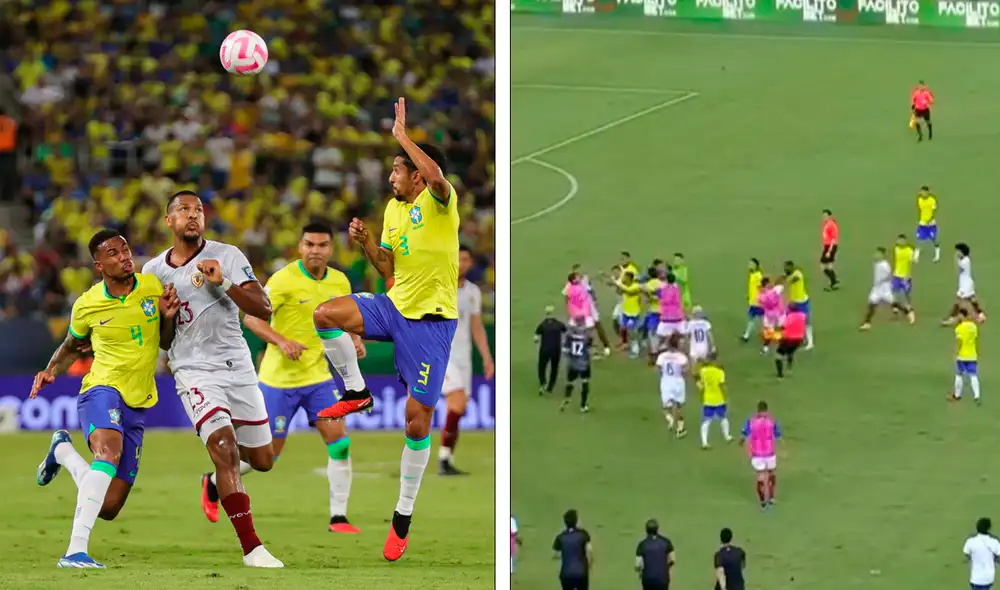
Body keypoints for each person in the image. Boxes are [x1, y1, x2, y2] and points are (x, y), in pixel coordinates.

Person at [310, 98, 459, 561]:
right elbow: (387, 268)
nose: (391, 176)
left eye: (397, 169)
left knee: (417, 420)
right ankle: (356, 391)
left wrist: (402, 137)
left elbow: (437, 177)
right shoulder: (393, 212)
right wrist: (368, 243)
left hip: (431, 323)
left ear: (416, 175)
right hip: (394, 306)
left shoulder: (440, 202)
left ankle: (402, 516)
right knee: (325, 314)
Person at [143, 191, 282, 568]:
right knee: (223, 444)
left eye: (199, 210)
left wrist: (224, 283)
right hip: (193, 370)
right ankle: (252, 549)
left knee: (264, 460)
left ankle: (213, 484)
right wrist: (166, 317)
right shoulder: (152, 272)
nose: (193, 215)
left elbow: (263, 308)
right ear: (168, 221)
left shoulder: (228, 256)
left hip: (237, 367)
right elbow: (163, 342)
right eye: (183, 210)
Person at [32, 229, 179, 568]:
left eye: (125, 249)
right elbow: (72, 345)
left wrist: (168, 318)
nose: (124, 256)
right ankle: (75, 551)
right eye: (113, 253)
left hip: (138, 399)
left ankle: (63, 452)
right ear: (99, 265)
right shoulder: (87, 304)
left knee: (109, 506)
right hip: (101, 388)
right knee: (108, 452)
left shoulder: (152, 287)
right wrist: (51, 369)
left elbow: (165, 342)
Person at [241, 222, 364, 533]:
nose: (315, 251)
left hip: (318, 377)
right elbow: (251, 318)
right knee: (267, 458)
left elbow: (347, 320)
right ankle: (214, 482)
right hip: (278, 380)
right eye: (309, 244)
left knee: (340, 444)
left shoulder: (340, 282)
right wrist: (282, 341)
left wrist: (355, 338)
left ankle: (339, 517)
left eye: (322, 245)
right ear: (300, 247)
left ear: (331, 249)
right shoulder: (283, 280)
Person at [439, 244, 495, 475]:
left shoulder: (473, 292)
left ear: (470, 263)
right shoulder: (438, 287)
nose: (461, 264)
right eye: (457, 259)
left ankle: (446, 459)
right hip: (442, 355)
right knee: (458, 401)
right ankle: (443, 461)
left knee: (458, 409)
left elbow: (477, 326)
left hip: (464, 356)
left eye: (465, 260)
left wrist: (487, 357)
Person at [741, 401, 781, 509]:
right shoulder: (772, 421)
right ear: (767, 410)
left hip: (757, 454)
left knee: (760, 477)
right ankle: (771, 498)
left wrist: (742, 444)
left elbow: (744, 435)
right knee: (771, 474)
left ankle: (763, 501)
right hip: (769, 453)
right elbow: (778, 435)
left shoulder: (750, 421)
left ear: (757, 410)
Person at [569, 263, 611, 356]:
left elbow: (591, 290)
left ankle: (606, 346)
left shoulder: (585, 279)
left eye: (580, 271)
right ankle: (588, 347)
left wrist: (595, 300)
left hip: (590, 307)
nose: (579, 273)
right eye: (577, 272)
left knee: (598, 325)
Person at [654, 333, 688, 437]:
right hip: (678, 381)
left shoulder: (662, 356)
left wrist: (663, 375)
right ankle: (680, 429)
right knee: (679, 406)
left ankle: (670, 418)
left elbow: (657, 369)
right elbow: (685, 370)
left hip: (666, 382)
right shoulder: (682, 357)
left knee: (666, 406)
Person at [944, 242, 986, 325]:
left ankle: (952, 318)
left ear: (961, 251)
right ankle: (981, 315)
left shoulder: (964, 261)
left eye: (958, 251)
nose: (956, 253)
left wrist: (956, 258)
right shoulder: (966, 259)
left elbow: (957, 268)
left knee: (958, 302)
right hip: (968, 284)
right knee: (972, 300)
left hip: (965, 286)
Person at [696, 353, 731, 449]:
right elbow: (722, 386)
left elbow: (699, 382)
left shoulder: (703, 371)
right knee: (723, 418)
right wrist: (726, 398)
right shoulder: (720, 372)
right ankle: (727, 436)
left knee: (706, 420)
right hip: (719, 399)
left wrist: (701, 392)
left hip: (707, 399)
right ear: (715, 360)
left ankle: (704, 442)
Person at [553, 509, 592, 590]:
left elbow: (556, 554)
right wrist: (589, 564)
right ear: (576, 521)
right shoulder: (583, 534)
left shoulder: (561, 537)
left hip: (566, 574)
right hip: (581, 573)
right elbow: (589, 550)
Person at [561, 317, 593, 413]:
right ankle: (583, 406)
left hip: (573, 364)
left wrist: (569, 355)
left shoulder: (569, 336)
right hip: (584, 364)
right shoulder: (587, 337)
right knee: (585, 382)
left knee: (570, 382)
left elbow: (565, 350)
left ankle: (566, 399)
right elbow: (589, 350)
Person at [950, 307, 981, 405]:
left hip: (962, 356)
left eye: (959, 315)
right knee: (973, 375)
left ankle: (957, 395)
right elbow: (974, 339)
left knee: (959, 375)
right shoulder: (973, 327)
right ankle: (977, 396)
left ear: (962, 315)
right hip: (972, 355)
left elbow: (959, 342)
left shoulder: (959, 328)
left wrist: (956, 352)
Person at [635, 519, 675, 590]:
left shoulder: (642, 545)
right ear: (657, 529)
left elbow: (638, 565)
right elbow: (672, 559)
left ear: (646, 530)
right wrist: (666, 568)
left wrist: (640, 572)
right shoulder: (666, 542)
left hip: (648, 580)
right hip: (663, 579)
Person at [860, 247, 894, 331]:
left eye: (878, 253)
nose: (875, 255)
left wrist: (881, 281)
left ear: (882, 255)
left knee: (894, 303)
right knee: (871, 304)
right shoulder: (877, 262)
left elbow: (890, 276)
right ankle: (867, 323)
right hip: (877, 289)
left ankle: (908, 311)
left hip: (885, 289)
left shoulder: (885, 265)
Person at [610, 270, 642, 357]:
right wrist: (616, 284)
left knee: (631, 331)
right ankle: (626, 344)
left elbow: (629, 292)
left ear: (630, 279)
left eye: (625, 277)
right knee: (623, 328)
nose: (624, 278)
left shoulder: (635, 286)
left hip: (633, 313)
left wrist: (618, 284)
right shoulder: (624, 286)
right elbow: (619, 292)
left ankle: (635, 350)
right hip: (625, 312)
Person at [782, 261, 813, 350]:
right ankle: (798, 337)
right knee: (789, 320)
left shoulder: (797, 274)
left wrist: (786, 278)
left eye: (787, 268)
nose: (786, 269)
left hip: (802, 302)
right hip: (793, 302)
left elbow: (793, 280)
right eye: (785, 268)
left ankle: (810, 343)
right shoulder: (790, 274)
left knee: (806, 321)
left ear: (792, 267)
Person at [535, 306, 567, 395]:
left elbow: (536, 338)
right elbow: (565, 331)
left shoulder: (542, 325)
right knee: (554, 368)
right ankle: (550, 386)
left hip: (545, 350)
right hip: (556, 350)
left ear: (546, 314)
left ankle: (543, 382)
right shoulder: (559, 324)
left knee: (542, 367)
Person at [963, 517, 1000, 590]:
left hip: (976, 577)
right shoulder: (994, 541)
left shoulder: (970, 541)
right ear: (989, 528)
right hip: (989, 577)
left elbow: (966, 553)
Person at [655, 273, 686, 350]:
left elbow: (657, 293)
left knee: (660, 336)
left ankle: (663, 346)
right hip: (677, 317)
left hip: (666, 318)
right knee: (683, 336)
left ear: (667, 280)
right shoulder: (677, 288)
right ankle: (679, 349)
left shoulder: (662, 288)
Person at [891, 234, 917, 324]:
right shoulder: (896, 249)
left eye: (902, 240)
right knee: (894, 294)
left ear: (905, 241)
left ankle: (910, 312)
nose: (900, 242)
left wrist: (908, 275)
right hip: (896, 276)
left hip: (905, 277)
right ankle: (896, 309)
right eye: (899, 240)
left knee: (906, 296)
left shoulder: (909, 251)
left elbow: (911, 264)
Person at [757, 278, 785, 356]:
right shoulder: (775, 290)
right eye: (769, 283)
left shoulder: (760, 295)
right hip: (779, 314)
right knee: (778, 330)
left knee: (769, 332)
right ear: (767, 284)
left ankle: (765, 348)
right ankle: (782, 347)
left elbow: (761, 304)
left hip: (769, 316)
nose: (771, 284)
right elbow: (780, 283)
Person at [774, 308, 805, 379]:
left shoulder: (790, 317)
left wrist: (775, 328)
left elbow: (783, 327)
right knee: (790, 352)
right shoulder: (802, 316)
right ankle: (789, 369)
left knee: (778, 356)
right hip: (798, 340)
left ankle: (780, 376)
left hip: (788, 340)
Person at [914, 185, 939, 262]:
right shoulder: (919, 199)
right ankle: (916, 257)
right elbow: (920, 210)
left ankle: (937, 255)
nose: (923, 193)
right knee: (919, 239)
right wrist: (920, 220)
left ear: (928, 192)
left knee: (934, 239)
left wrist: (929, 220)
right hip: (922, 224)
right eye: (922, 191)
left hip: (931, 224)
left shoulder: (932, 200)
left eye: (925, 192)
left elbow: (934, 212)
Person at [740, 259, 764, 342]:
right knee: (757, 318)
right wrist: (749, 295)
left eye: (752, 264)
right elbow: (753, 287)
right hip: (753, 301)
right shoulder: (752, 274)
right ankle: (747, 335)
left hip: (757, 302)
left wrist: (762, 298)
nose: (749, 265)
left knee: (754, 318)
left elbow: (762, 288)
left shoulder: (758, 276)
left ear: (756, 266)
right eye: (749, 264)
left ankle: (746, 335)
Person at [643, 267, 663, 352]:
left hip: (653, 311)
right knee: (662, 330)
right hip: (663, 311)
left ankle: (655, 350)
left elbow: (646, 300)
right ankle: (661, 347)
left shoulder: (646, 286)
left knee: (652, 331)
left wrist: (650, 296)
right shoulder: (662, 284)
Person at [820, 209, 840, 290]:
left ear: (830, 216)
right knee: (829, 266)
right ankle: (833, 282)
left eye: (825, 215)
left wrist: (829, 251)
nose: (824, 217)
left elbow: (833, 239)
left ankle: (833, 281)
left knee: (823, 266)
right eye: (823, 215)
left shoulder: (832, 225)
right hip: (827, 246)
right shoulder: (825, 223)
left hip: (831, 247)